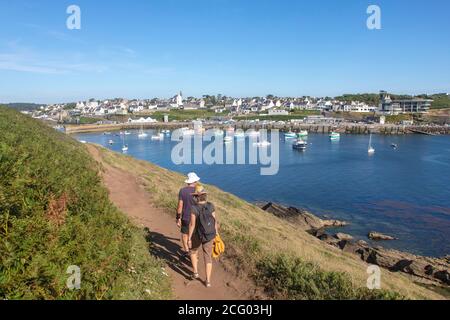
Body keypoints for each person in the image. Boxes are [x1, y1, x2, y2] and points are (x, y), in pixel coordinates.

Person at [188, 184, 218, 288]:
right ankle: (208, 281)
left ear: (196, 196)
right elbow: (215, 222)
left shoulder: (194, 208)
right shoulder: (211, 206)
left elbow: (192, 225)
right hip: (209, 235)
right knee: (207, 257)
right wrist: (216, 234)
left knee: (192, 251)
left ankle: (196, 273)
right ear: (205, 195)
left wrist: (189, 238)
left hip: (197, 234)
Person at [176, 172, 200, 258]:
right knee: (194, 235)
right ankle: (194, 253)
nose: (197, 182)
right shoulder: (198, 191)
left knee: (184, 234)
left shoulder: (182, 191)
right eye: (196, 181)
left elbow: (180, 206)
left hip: (186, 217)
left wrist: (178, 218)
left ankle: (186, 251)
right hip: (196, 218)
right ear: (194, 181)